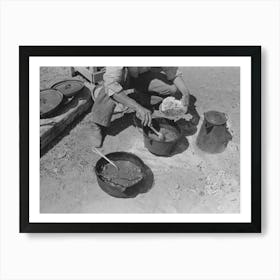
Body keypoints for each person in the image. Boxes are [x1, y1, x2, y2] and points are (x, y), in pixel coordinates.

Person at [90, 67, 191, 147]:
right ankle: (97, 123)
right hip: (122, 76)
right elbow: (111, 85)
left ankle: (137, 98)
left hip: (141, 75)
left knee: (172, 88)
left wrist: (186, 93)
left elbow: (171, 70)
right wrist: (138, 108)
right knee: (110, 87)